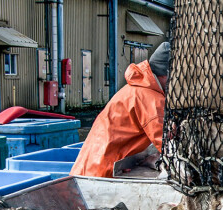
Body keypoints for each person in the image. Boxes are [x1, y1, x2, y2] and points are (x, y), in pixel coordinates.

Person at [70, 42, 170, 178]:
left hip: (92, 166)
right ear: (165, 74)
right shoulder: (149, 97)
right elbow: (166, 143)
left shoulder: (136, 88)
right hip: (101, 172)